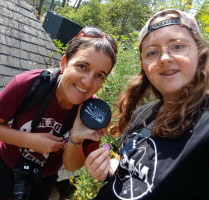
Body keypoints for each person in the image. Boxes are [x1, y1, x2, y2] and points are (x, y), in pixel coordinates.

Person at [0, 27, 117, 200]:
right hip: (3, 166)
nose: (88, 82)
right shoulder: (28, 84)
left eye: (100, 75)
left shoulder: (93, 113)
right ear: (64, 63)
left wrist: (76, 137)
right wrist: (29, 140)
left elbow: (71, 165)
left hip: (42, 179)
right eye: (82, 66)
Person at [85, 9, 209, 199]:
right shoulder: (144, 114)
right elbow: (123, 162)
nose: (165, 58)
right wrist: (107, 169)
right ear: (143, 65)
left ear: (200, 53)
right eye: (152, 52)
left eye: (177, 46)